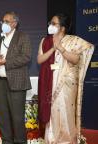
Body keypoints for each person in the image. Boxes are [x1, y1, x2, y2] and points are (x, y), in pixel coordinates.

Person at [37, 13, 94, 144]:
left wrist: (61, 49)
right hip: (49, 82)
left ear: (62, 28)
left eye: (53, 23)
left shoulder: (73, 41)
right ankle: (52, 140)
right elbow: (40, 59)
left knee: (65, 111)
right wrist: (53, 48)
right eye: (50, 23)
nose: (50, 26)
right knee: (51, 113)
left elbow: (75, 60)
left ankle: (67, 141)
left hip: (66, 84)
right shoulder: (45, 41)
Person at [0, 11, 31, 144]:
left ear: (14, 23)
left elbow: (26, 57)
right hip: (0, 83)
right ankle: (7, 141)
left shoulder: (22, 37)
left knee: (17, 118)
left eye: (6, 21)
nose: (3, 24)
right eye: (3, 21)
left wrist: (6, 61)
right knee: (3, 117)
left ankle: (20, 142)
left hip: (17, 83)